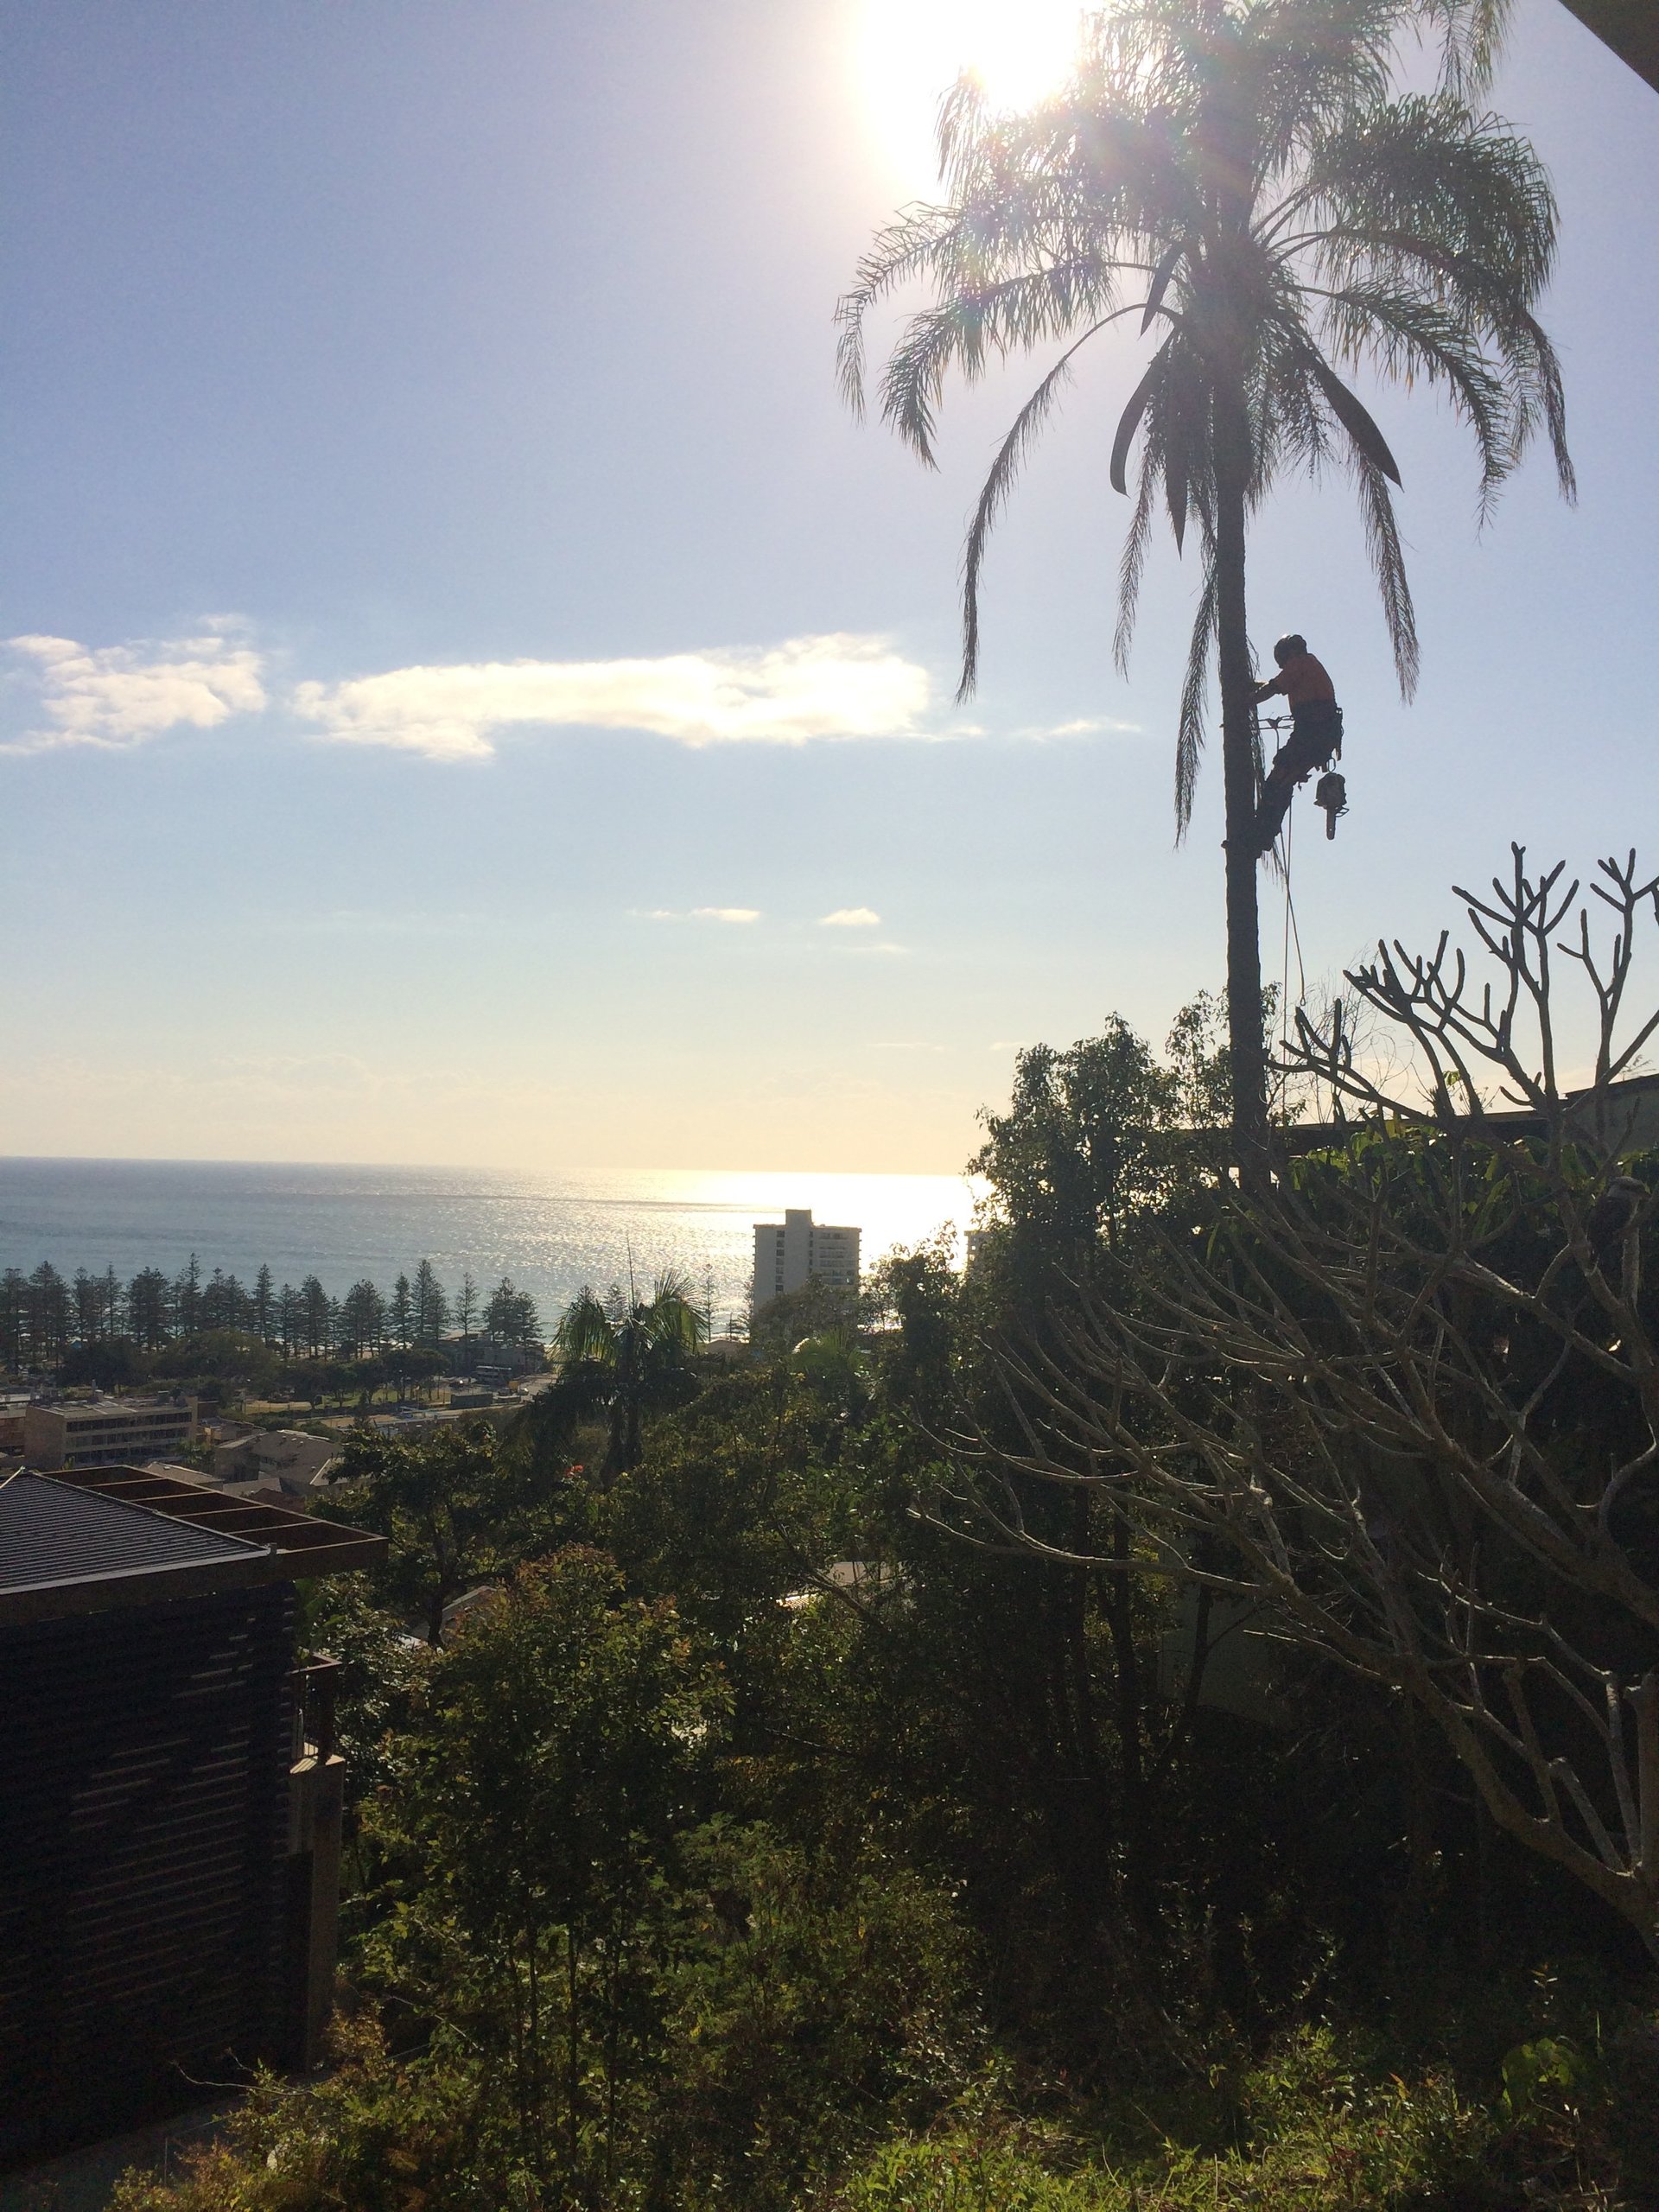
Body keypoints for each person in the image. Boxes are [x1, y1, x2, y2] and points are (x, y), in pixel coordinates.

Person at [1246, 634, 1344, 856]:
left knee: (1277, 780)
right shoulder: (1310, 665)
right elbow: (1280, 683)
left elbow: (1274, 688)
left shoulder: (1301, 664)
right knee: (1284, 781)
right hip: (1319, 737)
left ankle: (1260, 833)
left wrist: (1246, 702)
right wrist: (1257, 686)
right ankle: (1265, 834)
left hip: (1311, 735)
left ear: (1288, 654)